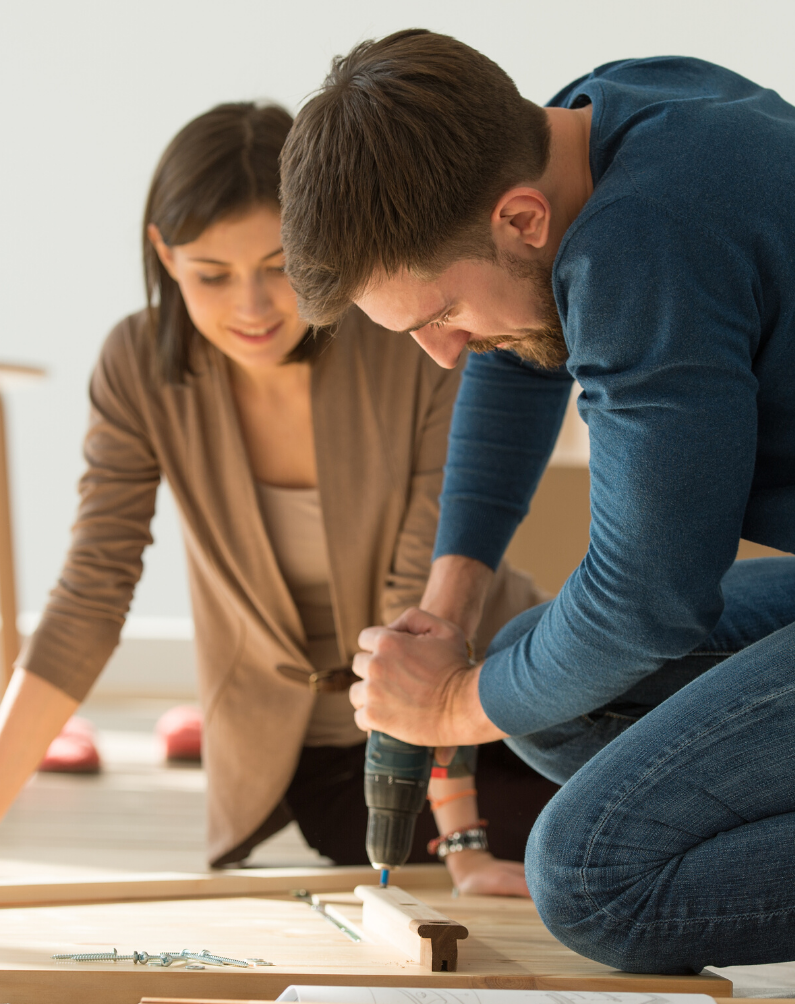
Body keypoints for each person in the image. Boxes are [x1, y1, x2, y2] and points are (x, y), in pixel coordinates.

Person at [276, 30, 795, 981]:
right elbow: (519, 357)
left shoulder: (643, 242)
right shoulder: (596, 116)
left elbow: (648, 598)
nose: (442, 352)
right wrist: (448, 612)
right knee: (547, 689)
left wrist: (452, 703)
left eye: (439, 315)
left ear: (522, 220)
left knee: (597, 877)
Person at [0, 101, 557, 893]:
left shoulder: (415, 336)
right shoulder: (136, 366)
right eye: (212, 276)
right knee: (403, 837)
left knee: (617, 814)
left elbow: (420, 603)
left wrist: (462, 839)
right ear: (164, 255)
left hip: (494, 694)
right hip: (331, 761)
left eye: (278, 267)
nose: (253, 309)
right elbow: (91, 595)